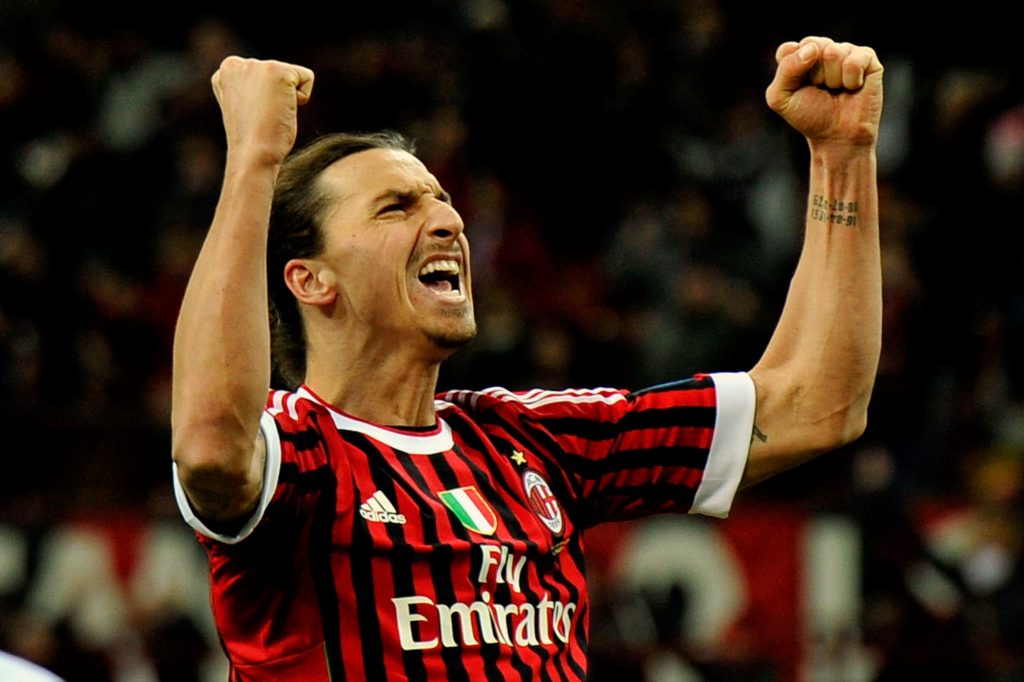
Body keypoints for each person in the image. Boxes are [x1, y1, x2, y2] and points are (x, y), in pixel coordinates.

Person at [171, 36, 884, 680]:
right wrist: (254, 161)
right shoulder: (298, 456)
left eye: (441, 200)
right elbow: (209, 445)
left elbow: (815, 405)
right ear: (310, 280)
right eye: (396, 208)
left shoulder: (535, 439)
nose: (448, 220)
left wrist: (843, 155)